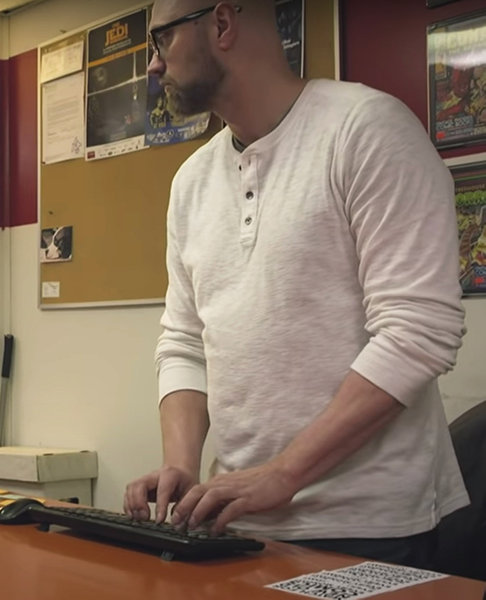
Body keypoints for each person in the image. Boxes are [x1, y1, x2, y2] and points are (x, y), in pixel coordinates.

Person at [123, 0, 469, 569]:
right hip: (234, 521)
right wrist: (180, 465)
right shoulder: (189, 182)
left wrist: (284, 474)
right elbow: (184, 340)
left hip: (370, 526)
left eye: (159, 40)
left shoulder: (366, 129)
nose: (153, 66)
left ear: (222, 23)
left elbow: (419, 330)